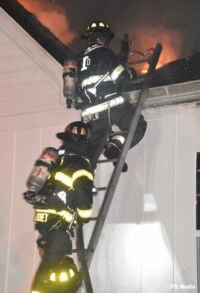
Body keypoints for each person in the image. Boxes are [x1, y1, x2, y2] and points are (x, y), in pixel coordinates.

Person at [66, 20, 147, 171]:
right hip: (111, 105)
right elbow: (121, 77)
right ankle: (115, 146)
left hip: (89, 112)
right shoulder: (104, 52)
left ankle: (84, 183)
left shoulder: (77, 60)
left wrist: (123, 55)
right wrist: (130, 73)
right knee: (138, 125)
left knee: (91, 154)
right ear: (102, 38)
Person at [23, 121, 94, 293]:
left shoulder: (57, 159)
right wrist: (84, 216)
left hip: (43, 220)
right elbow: (83, 194)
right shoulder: (80, 164)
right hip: (58, 224)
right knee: (50, 267)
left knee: (58, 266)